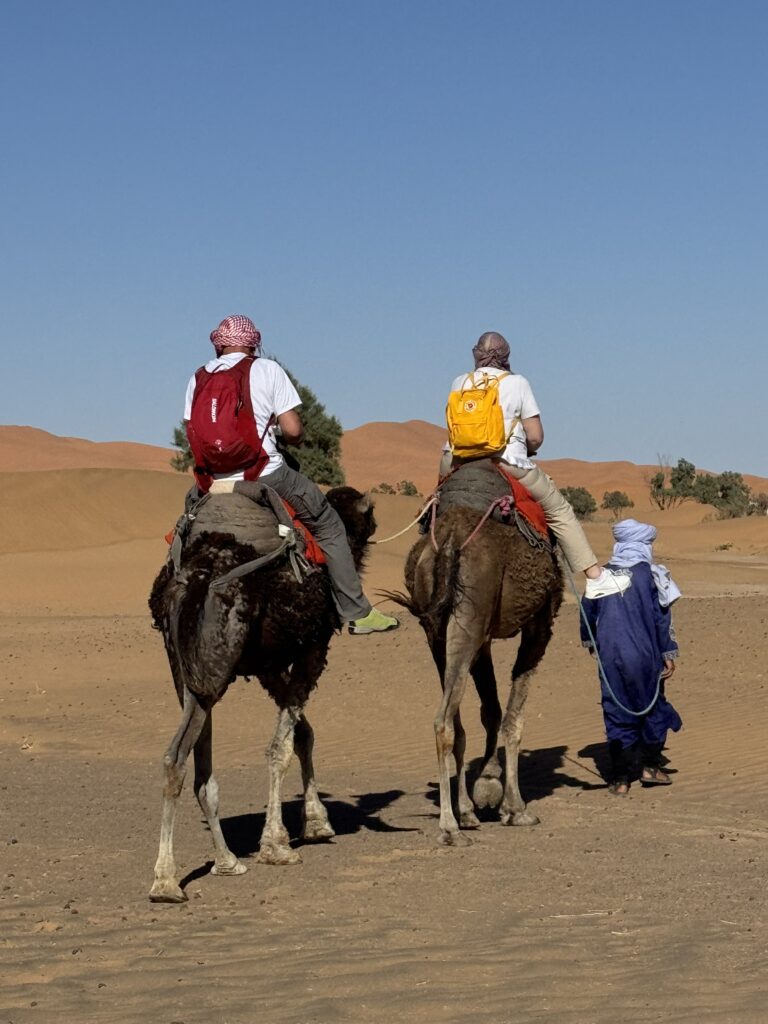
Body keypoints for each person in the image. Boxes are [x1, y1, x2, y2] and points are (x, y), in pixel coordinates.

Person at [184, 314, 399, 635]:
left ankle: (178, 582)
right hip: (264, 474)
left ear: (219, 343)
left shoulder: (197, 377)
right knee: (328, 525)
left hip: (211, 481)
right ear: (252, 342)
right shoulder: (267, 369)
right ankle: (358, 612)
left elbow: (191, 431)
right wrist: (290, 437)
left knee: (187, 524)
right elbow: (293, 428)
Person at [442, 331, 631, 599]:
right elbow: (535, 435)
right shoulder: (517, 383)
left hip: (456, 458)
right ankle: (595, 576)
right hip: (505, 460)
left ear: (476, 354)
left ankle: (429, 536)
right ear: (506, 356)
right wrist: (529, 449)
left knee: (438, 501)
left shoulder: (459, 381)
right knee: (559, 510)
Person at [580, 519, 682, 795]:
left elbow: (586, 611)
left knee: (616, 708)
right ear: (642, 544)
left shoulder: (600, 573)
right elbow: (662, 619)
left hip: (610, 656)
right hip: (645, 655)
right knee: (652, 706)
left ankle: (620, 779)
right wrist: (668, 652)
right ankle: (650, 766)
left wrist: (591, 643)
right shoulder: (651, 575)